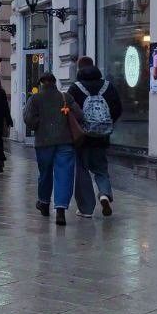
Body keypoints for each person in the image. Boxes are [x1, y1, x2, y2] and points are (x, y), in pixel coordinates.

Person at [23, 72, 81, 226]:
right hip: (65, 142)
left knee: (45, 173)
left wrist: (39, 124)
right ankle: (60, 210)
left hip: (43, 142)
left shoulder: (35, 99)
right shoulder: (65, 97)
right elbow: (80, 115)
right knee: (64, 174)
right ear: (55, 83)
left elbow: (28, 119)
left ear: (41, 83)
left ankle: (44, 202)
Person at [68, 56, 122, 217]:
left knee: (82, 171)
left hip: (82, 138)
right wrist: (106, 123)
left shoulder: (75, 88)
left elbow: (68, 111)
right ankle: (104, 194)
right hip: (101, 137)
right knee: (101, 169)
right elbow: (117, 108)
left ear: (79, 69)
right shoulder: (108, 86)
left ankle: (86, 209)